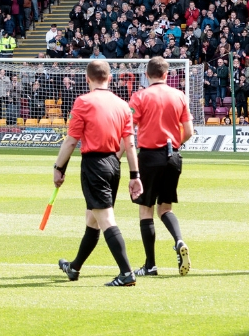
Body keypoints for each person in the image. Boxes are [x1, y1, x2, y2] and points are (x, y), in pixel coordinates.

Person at [54, 60, 141, 287]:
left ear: (87, 78)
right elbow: (130, 144)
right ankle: (74, 267)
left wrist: (59, 168)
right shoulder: (122, 105)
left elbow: (71, 141)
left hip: (94, 165)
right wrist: (135, 175)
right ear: (110, 78)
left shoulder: (83, 102)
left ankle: (126, 273)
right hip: (114, 164)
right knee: (92, 219)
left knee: (105, 219)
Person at [129, 56, 195, 277]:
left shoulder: (140, 97)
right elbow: (189, 131)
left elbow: (128, 130)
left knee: (145, 209)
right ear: (167, 75)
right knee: (165, 208)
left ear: (147, 74)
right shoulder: (179, 96)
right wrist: (175, 144)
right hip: (173, 156)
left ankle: (150, 265)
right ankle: (179, 241)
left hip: (149, 156)